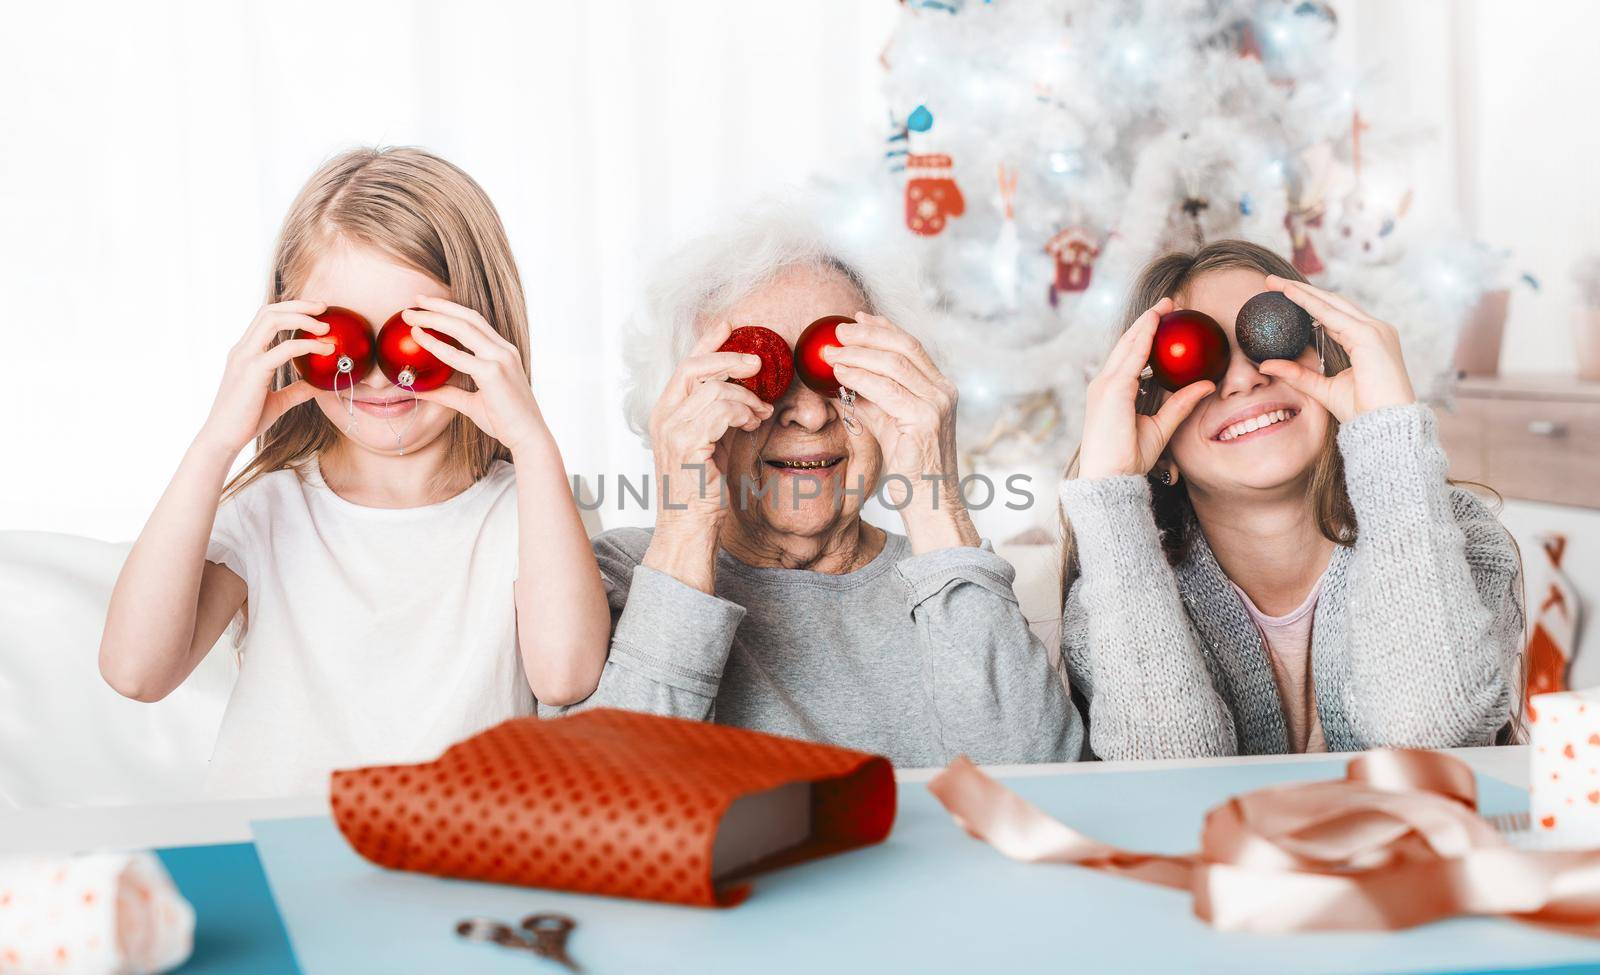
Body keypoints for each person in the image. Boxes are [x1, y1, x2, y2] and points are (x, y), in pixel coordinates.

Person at [99, 147, 610, 797]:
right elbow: (135, 670)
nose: (373, 371)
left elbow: (564, 676)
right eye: (340, 336)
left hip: (449, 861)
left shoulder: (531, 510)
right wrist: (216, 442)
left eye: (415, 334)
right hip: (276, 854)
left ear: (484, 331)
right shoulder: (272, 509)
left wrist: (534, 444)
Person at [547, 201, 1083, 767]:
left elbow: (1042, 784)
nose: (808, 415)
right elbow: (614, 809)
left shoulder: (950, 589)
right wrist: (684, 528)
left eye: (839, 370)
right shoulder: (616, 579)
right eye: (757, 374)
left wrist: (933, 498)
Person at [1059, 239, 1523, 760]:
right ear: (1156, 444)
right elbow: (1167, 783)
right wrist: (1110, 492)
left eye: (1272, 333)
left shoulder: (1459, 540)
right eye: (1193, 359)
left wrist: (1388, 431)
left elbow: (1432, 735)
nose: (1243, 378)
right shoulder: (1114, 594)